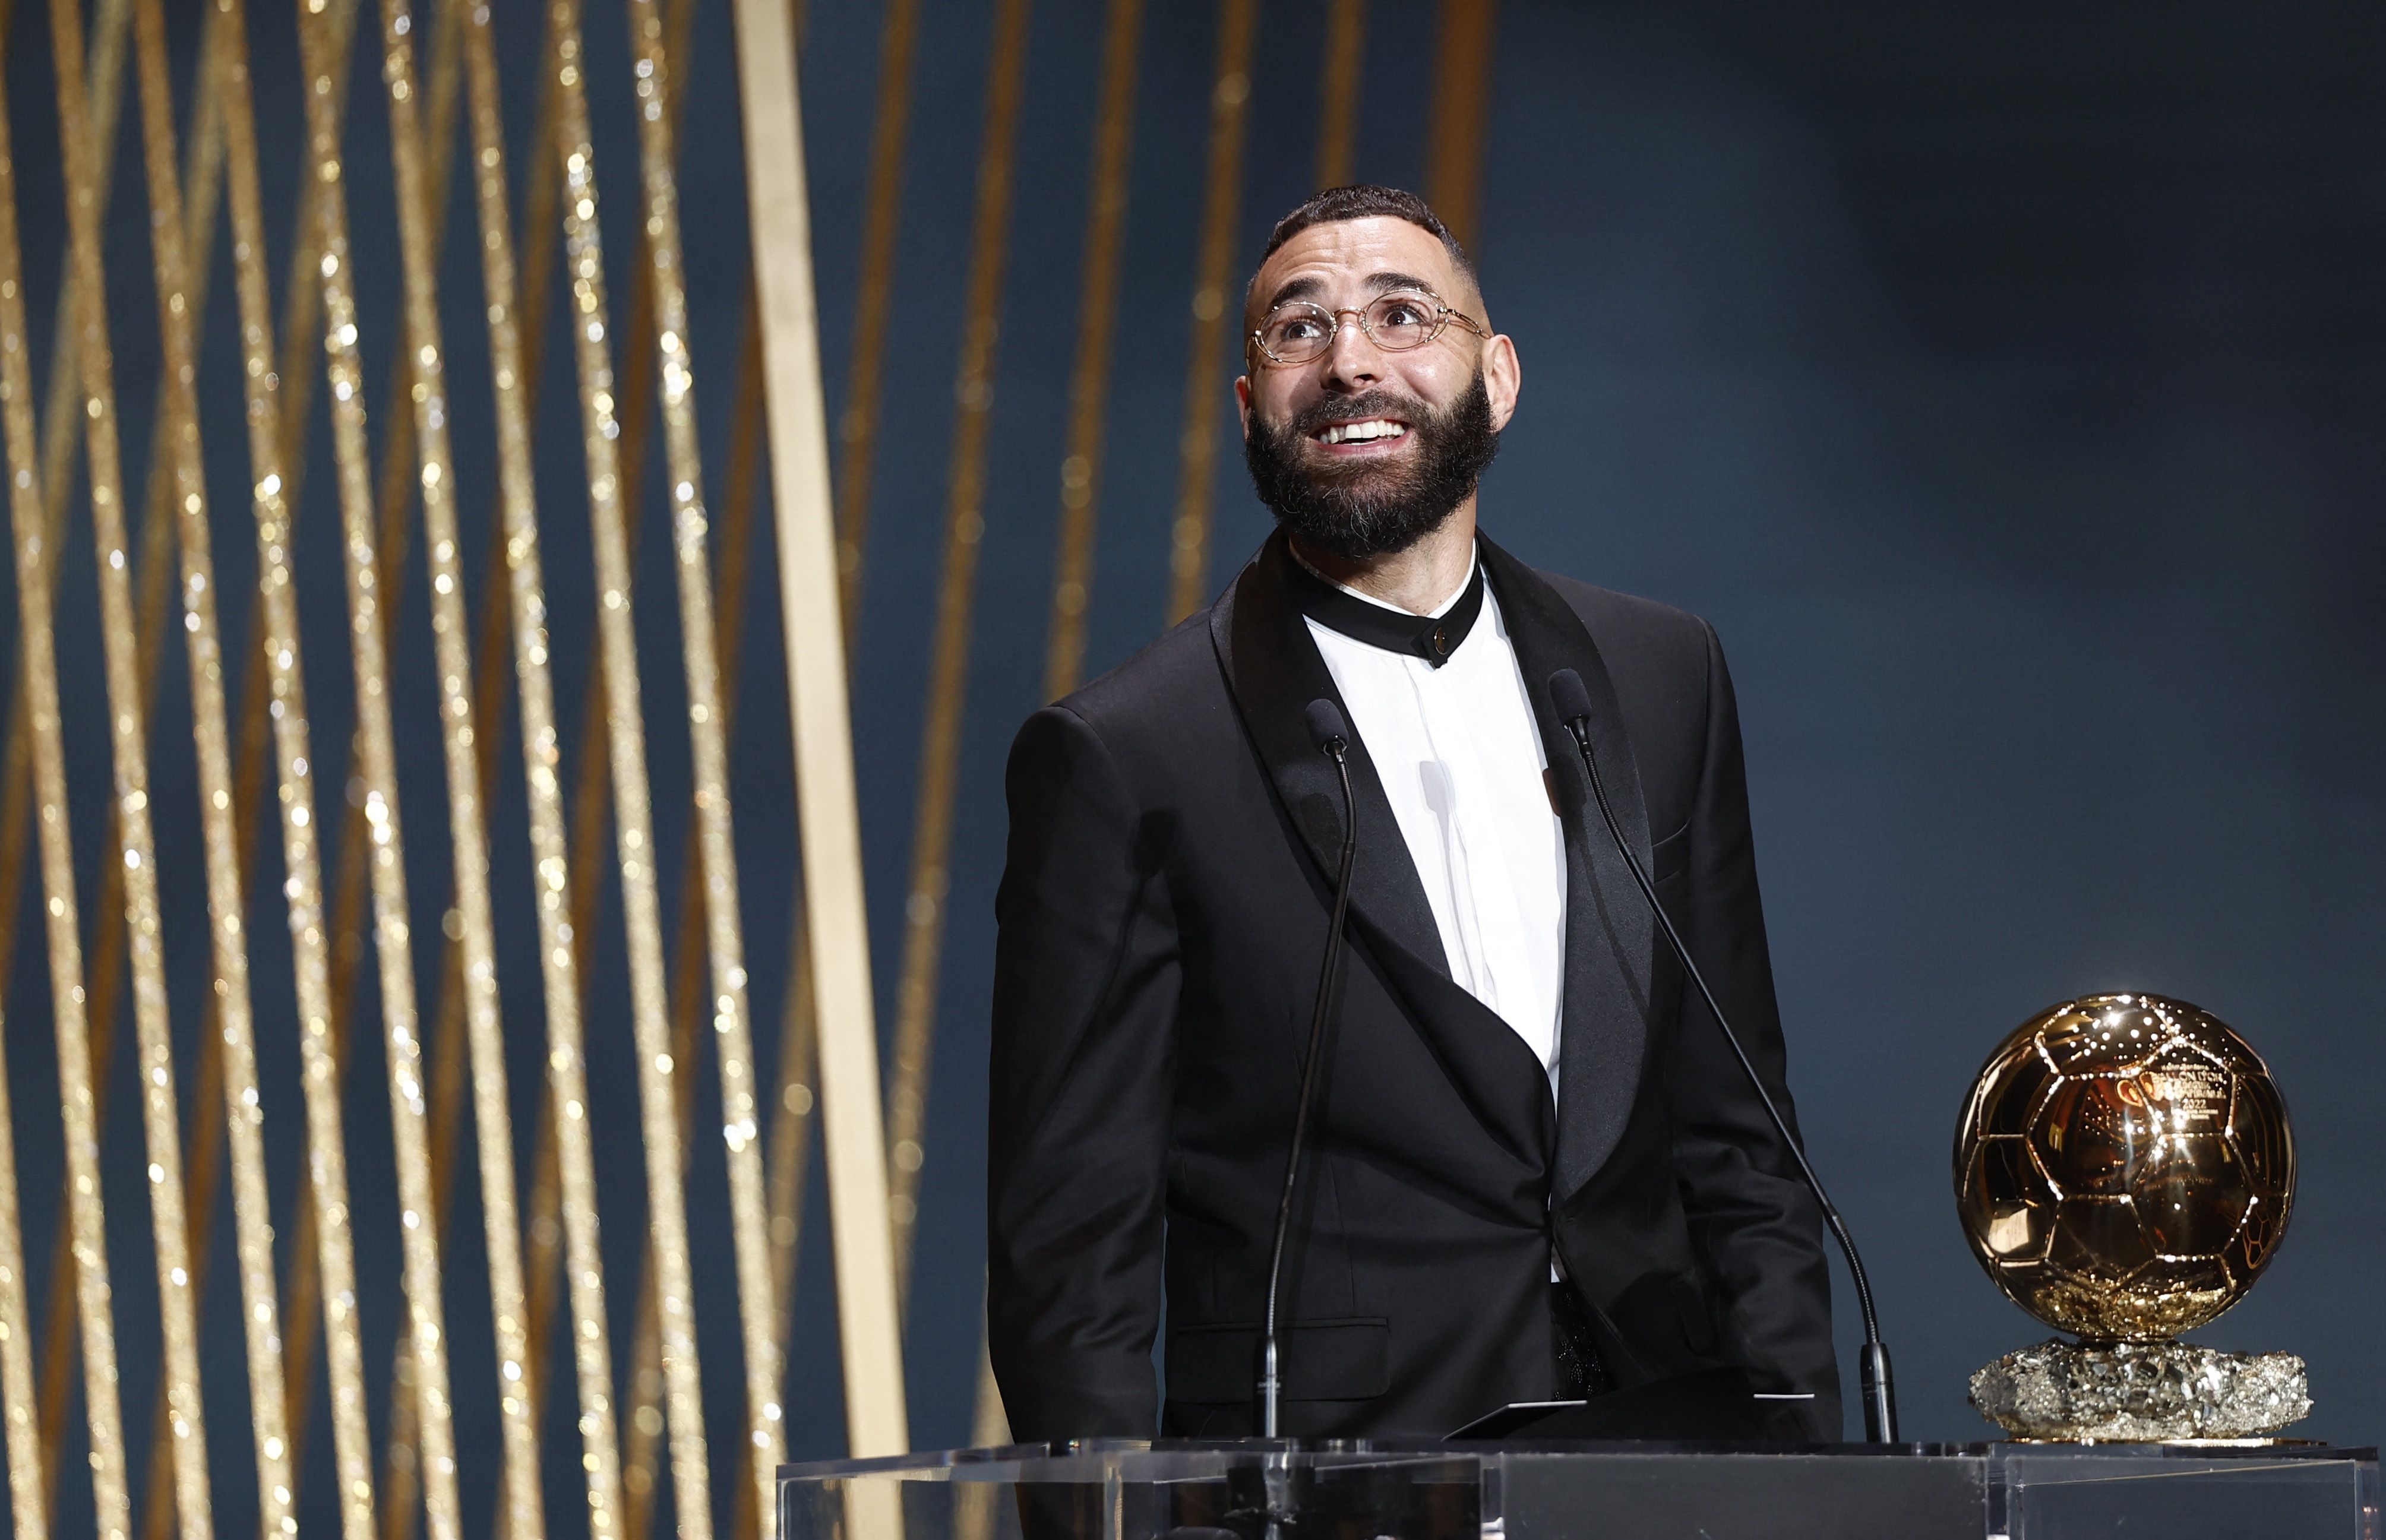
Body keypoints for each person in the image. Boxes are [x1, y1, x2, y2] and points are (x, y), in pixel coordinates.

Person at [987, 185, 1839, 1441]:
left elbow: (1740, 1142)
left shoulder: (1661, 674)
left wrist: (1812, 1482)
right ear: (1247, 408)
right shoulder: (1123, 753)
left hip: (1669, 1452)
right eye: (1297, 327)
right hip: (1331, 1477)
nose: (1349, 362)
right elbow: (1070, 1255)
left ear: (1494, 378)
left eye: (1400, 314)